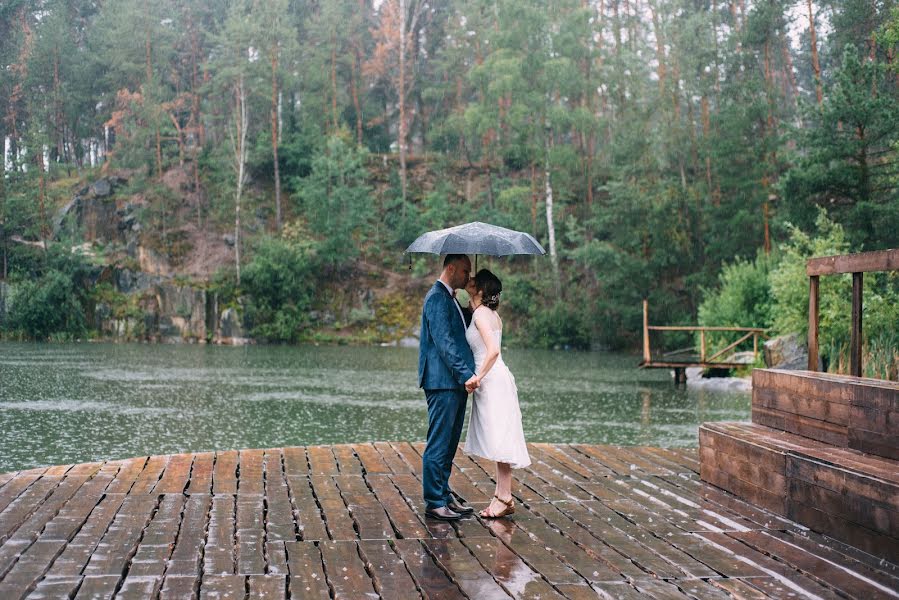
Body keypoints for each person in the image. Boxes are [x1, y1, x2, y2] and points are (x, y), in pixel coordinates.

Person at [463, 269, 530, 518]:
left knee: (500, 439)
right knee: (500, 438)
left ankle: (504, 497)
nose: (469, 280)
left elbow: (492, 351)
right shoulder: (491, 314)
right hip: (498, 378)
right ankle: (503, 495)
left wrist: (477, 377)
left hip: (491, 379)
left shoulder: (481, 314)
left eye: (473, 280)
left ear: (481, 290)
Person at [418, 254, 480, 521]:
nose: (468, 277)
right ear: (451, 268)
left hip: (452, 382)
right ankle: (434, 501)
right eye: (466, 272)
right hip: (442, 382)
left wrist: (476, 307)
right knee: (439, 442)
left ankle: (443, 494)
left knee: (450, 442)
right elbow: (444, 343)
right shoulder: (436, 298)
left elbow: (457, 331)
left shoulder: (451, 298)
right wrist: (466, 374)